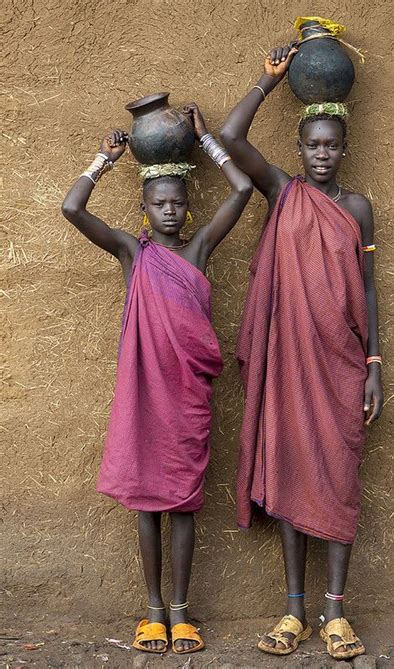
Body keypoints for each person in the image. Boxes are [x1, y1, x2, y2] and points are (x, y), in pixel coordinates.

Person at [61, 103, 252, 655]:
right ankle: (152, 613)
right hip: (144, 396)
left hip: (188, 398)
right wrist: (105, 159)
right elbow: (72, 208)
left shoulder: (197, 250)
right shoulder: (131, 253)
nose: (169, 211)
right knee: (148, 502)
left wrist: (205, 140)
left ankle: (182, 612)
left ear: (188, 209)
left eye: (177, 203)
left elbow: (240, 191)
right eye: (159, 203)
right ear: (144, 209)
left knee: (185, 501)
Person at [220, 45, 384, 660]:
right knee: (290, 473)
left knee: (338, 478)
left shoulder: (358, 209)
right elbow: (233, 135)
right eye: (313, 145)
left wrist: (373, 364)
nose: (322, 155)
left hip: (341, 363)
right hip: (289, 363)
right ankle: (293, 611)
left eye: (331, 146)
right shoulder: (283, 193)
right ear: (300, 149)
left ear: (344, 149)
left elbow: (367, 289)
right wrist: (267, 80)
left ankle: (335, 613)